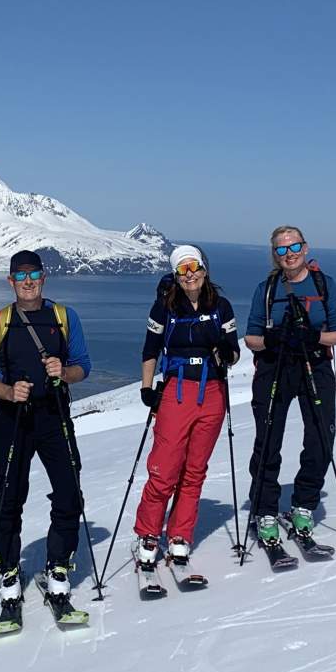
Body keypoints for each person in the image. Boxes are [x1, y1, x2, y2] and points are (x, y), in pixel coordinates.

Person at [0, 249, 92, 632]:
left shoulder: (64, 317)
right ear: (11, 281)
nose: (28, 282)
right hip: (12, 420)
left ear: (44, 277)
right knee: (9, 497)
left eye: (34, 274)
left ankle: (58, 569)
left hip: (54, 415)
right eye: (21, 276)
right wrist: (9, 392)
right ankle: (9, 573)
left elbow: (83, 365)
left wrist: (65, 373)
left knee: (69, 492)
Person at [133, 244, 241, 572]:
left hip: (212, 392)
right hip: (177, 392)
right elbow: (150, 350)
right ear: (176, 275)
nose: (189, 274)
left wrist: (226, 352)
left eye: (193, 266)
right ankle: (148, 534)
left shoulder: (221, 306)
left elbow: (234, 352)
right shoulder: (164, 307)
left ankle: (180, 534)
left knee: (195, 470)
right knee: (164, 469)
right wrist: (147, 388)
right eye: (182, 269)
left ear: (204, 269)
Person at [242, 226, 336, 551]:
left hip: (314, 364)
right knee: (268, 440)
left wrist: (313, 337)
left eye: (294, 247)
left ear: (305, 247)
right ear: (275, 254)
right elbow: (251, 338)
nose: (289, 254)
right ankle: (265, 510)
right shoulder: (267, 289)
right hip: (275, 366)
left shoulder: (324, 284)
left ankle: (304, 504)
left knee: (321, 437)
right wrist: (271, 340)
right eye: (282, 249)